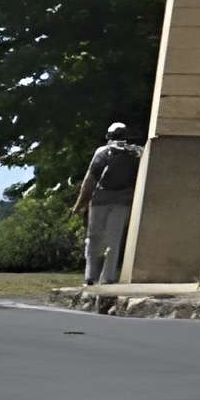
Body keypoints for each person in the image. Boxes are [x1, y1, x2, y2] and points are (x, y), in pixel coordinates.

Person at [74, 122, 141, 286]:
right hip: (122, 200)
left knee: (94, 238)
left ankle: (90, 276)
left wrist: (79, 204)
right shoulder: (136, 152)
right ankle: (108, 278)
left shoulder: (103, 152)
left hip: (100, 200)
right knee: (113, 239)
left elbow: (90, 180)